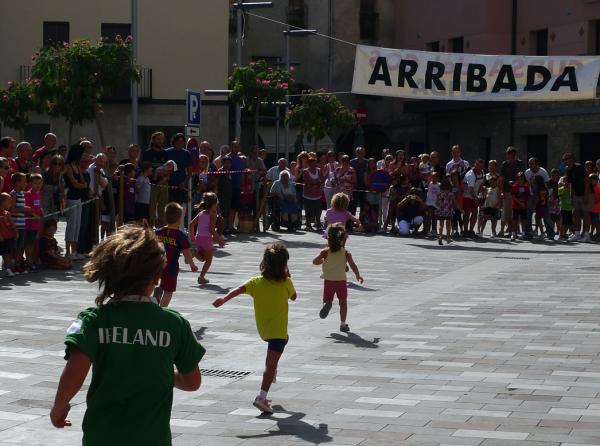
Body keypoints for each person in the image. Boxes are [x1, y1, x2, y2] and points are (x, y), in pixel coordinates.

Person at [50, 225, 205, 444]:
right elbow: (192, 382)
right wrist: (161, 372)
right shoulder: (174, 324)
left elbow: (76, 368)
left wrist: (59, 406)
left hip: (102, 436)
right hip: (152, 438)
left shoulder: (94, 320)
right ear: (157, 277)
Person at [212, 243, 296, 414]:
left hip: (264, 330)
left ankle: (271, 373)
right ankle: (262, 397)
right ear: (284, 265)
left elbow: (238, 290)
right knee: (270, 365)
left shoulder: (256, 282)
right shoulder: (286, 282)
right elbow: (294, 297)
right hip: (277, 331)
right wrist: (288, 277)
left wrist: (223, 299)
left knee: (283, 343)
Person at [312, 224, 363, 333]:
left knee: (327, 299)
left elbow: (314, 261)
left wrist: (322, 261)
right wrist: (358, 275)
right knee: (343, 302)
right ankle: (343, 324)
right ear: (342, 239)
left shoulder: (325, 252)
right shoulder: (346, 253)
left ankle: (327, 303)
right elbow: (353, 265)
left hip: (329, 281)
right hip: (341, 282)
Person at [189, 192, 225, 285]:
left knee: (202, 258)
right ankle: (201, 277)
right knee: (208, 260)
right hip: (206, 239)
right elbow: (212, 230)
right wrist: (220, 240)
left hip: (198, 238)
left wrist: (192, 238)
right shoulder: (213, 214)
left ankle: (194, 252)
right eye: (217, 202)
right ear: (213, 204)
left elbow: (191, 224)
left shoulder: (201, 213)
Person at [63, 144, 88, 259]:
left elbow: (83, 183)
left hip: (78, 198)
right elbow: (75, 184)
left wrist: (82, 185)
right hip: (71, 198)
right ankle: (68, 251)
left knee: (77, 225)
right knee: (71, 225)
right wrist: (82, 185)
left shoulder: (76, 165)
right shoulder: (68, 166)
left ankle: (74, 250)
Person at [563, 152, 592, 242]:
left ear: (572, 159)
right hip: (576, 194)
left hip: (587, 193)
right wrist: (572, 197)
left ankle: (587, 235)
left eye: (567, 159)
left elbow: (586, 181)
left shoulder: (579, 167)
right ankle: (577, 234)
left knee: (586, 213)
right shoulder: (567, 169)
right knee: (575, 213)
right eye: (564, 159)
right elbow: (571, 184)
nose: (566, 161)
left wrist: (586, 195)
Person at [499, 146, 526, 238]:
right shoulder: (504, 164)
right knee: (507, 212)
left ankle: (516, 231)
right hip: (507, 191)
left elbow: (523, 177)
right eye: (508, 154)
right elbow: (501, 179)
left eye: (511, 154)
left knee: (516, 212)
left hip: (518, 192)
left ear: (515, 154)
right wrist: (501, 191)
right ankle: (511, 231)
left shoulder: (520, 164)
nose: (509, 156)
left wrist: (515, 183)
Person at [10, 172, 34, 273]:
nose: (26, 183)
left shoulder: (22, 194)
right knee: (14, 247)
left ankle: (18, 265)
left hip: (22, 225)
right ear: (17, 182)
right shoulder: (13, 194)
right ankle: (12, 265)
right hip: (15, 225)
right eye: (24, 181)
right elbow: (12, 209)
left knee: (20, 246)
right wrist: (24, 209)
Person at [165, 133, 192, 207]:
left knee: (178, 208)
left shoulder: (186, 153)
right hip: (167, 186)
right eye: (178, 141)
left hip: (180, 187)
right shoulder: (166, 152)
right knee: (167, 207)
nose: (180, 143)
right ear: (174, 141)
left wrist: (184, 182)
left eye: (182, 141)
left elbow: (190, 171)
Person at [24, 173, 44, 270]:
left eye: (39, 183)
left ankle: (32, 261)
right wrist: (33, 215)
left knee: (34, 242)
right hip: (29, 224)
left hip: (36, 224)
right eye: (35, 183)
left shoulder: (39, 193)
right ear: (31, 184)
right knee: (29, 244)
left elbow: (37, 206)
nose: (38, 185)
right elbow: (26, 208)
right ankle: (29, 262)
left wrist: (40, 211)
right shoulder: (28, 194)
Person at [462, 159, 485, 237]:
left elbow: (481, 184)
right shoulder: (471, 174)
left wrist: (483, 192)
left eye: (481, 166)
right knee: (467, 213)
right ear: (474, 164)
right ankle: (465, 231)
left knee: (475, 213)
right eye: (478, 165)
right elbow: (470, 189)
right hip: (467, 196)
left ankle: (471, 230)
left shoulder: (482, 173)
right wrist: (476, 198)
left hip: (475, 196)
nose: (479, 167)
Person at [302, 156, 323, 230]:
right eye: (313, 163)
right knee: (308, 210)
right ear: (309, 164)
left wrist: (316, 184)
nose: (315, 165)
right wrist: (316, 183)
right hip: (307, 195)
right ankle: (308, 225)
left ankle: (318, 225)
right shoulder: (305, 171)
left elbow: (321, 180)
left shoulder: (319, 170)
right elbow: (307, 182)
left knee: (317, 210)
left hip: (317, 194)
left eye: (315, 163)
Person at [0, 192, 17, 276]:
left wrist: (16, 232)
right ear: (2, 203)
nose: (10, 204)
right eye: (9, 202)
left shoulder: (8, 214)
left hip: (8, 237)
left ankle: (8, 269)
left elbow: (12, 224)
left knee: (7, 253)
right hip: (1, 237)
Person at [436, 178, 456, 245]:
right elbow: (454, 202)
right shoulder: (451, 194)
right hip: (448, 211)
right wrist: (460, 209)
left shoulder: (439, 193)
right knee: (448, 224)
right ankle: (448, 238)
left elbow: (436, 202)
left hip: (441, 211)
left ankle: (440, 237)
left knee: (441, 224)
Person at [511, 172, 530, 241]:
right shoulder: (514, 186)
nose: (520, 180)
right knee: (514, 220)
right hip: (515, 206)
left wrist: (523, 202)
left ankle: (523, 233)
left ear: (524, 179)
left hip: (523, 206)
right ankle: (514, 233)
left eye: (521, 178)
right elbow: (513, 196)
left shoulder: (526, 187)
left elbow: (527, 196)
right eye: (518, 178)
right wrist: (519, 202)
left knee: (523, 220)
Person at [349, 147, 367, 218]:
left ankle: (361, 221)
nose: (360, 154)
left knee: (363, 205)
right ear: (356, 153)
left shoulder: (367, 162)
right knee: (353, 205)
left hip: (364, 187)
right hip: (354, 187)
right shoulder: (352, 162)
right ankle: (352, 221)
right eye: (359, 152)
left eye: (362, 152)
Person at [424, 171, 440, 237]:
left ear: (438, 178)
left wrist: (439, 201)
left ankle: (434, 230)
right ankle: (427, 230)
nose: (434, 178)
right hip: (429, 203)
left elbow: (439, 194)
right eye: (432, 177)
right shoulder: (430, 184)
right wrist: (429, 177)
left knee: (435, 218)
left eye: (435, 177)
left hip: (436, 204)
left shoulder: (439, 185)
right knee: (429, 217)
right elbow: (426, 183)